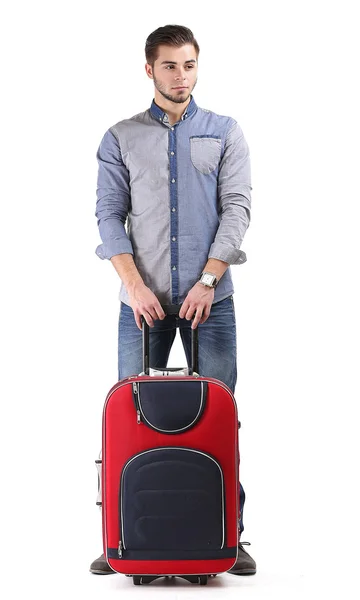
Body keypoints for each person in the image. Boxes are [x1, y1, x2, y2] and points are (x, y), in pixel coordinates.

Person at [90, 24, 256, 577]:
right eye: (169, 66)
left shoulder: (225, 131)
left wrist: (209, 280)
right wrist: (134, 286)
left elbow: (236, 209)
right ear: (149, 69)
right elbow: (109, 216)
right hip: (143, 303)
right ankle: (119, 532)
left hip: (213, 300)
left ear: (197, 66)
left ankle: (229, 531)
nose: (180, 76)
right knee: (129, 418)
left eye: (188, 65)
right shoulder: (120, 137)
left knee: (220, 417)